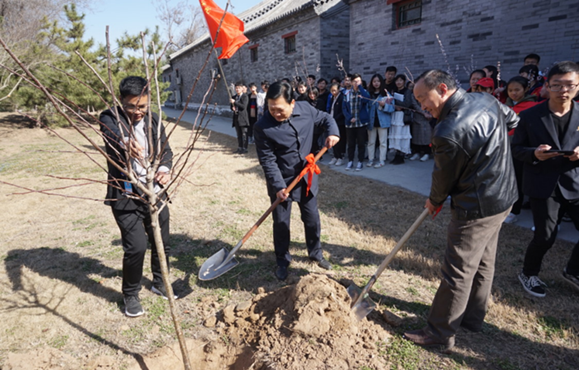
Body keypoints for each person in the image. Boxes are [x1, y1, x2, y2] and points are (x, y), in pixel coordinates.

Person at [404, 69, 519, 351]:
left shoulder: (447, 130)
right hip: (504, 197)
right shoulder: (486, 99)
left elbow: (442, 178)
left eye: (423, 98)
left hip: (476, 205)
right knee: (483, 262)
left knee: (457, 269)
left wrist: (435, 200)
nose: (422, 107)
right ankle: (472, 318)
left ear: (442, 88)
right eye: (417, 101)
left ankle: (440, 332)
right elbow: (513, 120)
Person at [100, 76, 175, 317]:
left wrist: (164, 170)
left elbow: (166, 150)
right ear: (122, 101)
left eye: (142, 106)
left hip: (153, 192)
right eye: (132, 106)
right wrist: (125, 143)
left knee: (160, 239)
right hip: (125, 194)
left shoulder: (154, 119)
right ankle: (130, 294)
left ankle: (159, 281)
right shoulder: (110, 117)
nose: (137, 112)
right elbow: (111, 136)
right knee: (136, 247)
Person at [253, 81, 340, 281]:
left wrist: (333, 132)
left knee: (312, 219)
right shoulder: (263, 127)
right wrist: (278, 186)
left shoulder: (306, 110)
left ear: (292, 103)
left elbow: (326, 118)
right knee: (281, 223)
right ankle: (282, 261)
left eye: (280, 109)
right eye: (271, 109)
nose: (275, 113)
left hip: (307, 177)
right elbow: (267, 159)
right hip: (282, 181)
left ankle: (315, 253)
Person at [512, 61, 579, 298]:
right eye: (557, 85)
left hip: (575, 181)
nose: (563, 90)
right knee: (545, 236)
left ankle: (573, 271)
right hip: (543, 183)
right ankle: (529, 273)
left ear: (577, 86)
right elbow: (516, 149)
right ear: (547, 86)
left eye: (569, 85)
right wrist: (534, 154)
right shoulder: (530, 115)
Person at [503, 76, 539, 224]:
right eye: (510, 90)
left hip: (521, 149)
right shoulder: (505, 105)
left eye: (517, 90)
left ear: (525, 89)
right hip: (504, 147)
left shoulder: (532, 107)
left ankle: (514, 210)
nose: (513, 93)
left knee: (517, 179)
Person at [343, 73, 370, 171]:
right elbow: (344, 108)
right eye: (354, 81)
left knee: (361, 143)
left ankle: (360, 161)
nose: (356, 83)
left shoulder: (363, 92)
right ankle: (350, 161)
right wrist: (349, 118)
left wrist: (360, 88)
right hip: (350, 123)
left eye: (358, 81)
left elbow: (366, 100)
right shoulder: (347, 93)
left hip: (361, 123)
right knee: (351, 143)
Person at [366, 74, 395, 168]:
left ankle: (381, 160)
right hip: (371, 121)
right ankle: (371, 159)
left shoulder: (386, 94)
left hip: (383, 121)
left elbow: (391, 109)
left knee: (382, 142)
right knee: (371, 142)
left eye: (378, 81)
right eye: (374, 81)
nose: (376, 83)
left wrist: (384, 105)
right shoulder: (368, 94)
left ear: (381, 82)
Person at [327, 82, 346, 166]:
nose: (333, 92)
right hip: (333, 120)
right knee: (333, 140)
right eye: (331, 90)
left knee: (339, 140)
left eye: (334, 90)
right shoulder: (332, 98)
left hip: (339, 122)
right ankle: (335, 156)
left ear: (338, 89)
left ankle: (340, 157)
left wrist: (335, 118)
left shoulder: (342, 98)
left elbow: (343, 111)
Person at [231, 82, 249, 154]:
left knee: (244, 134)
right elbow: (232, 106)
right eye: (236, 88)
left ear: (242, 88)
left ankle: (245, 148)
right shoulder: (234, 97)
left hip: (243, 118)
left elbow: (243, 106)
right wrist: (232, 108)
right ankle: (240, 147)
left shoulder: (245, 96)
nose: (237, 89)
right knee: (239, 134)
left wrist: (235, 102)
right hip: (236, 118)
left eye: (239, 88)